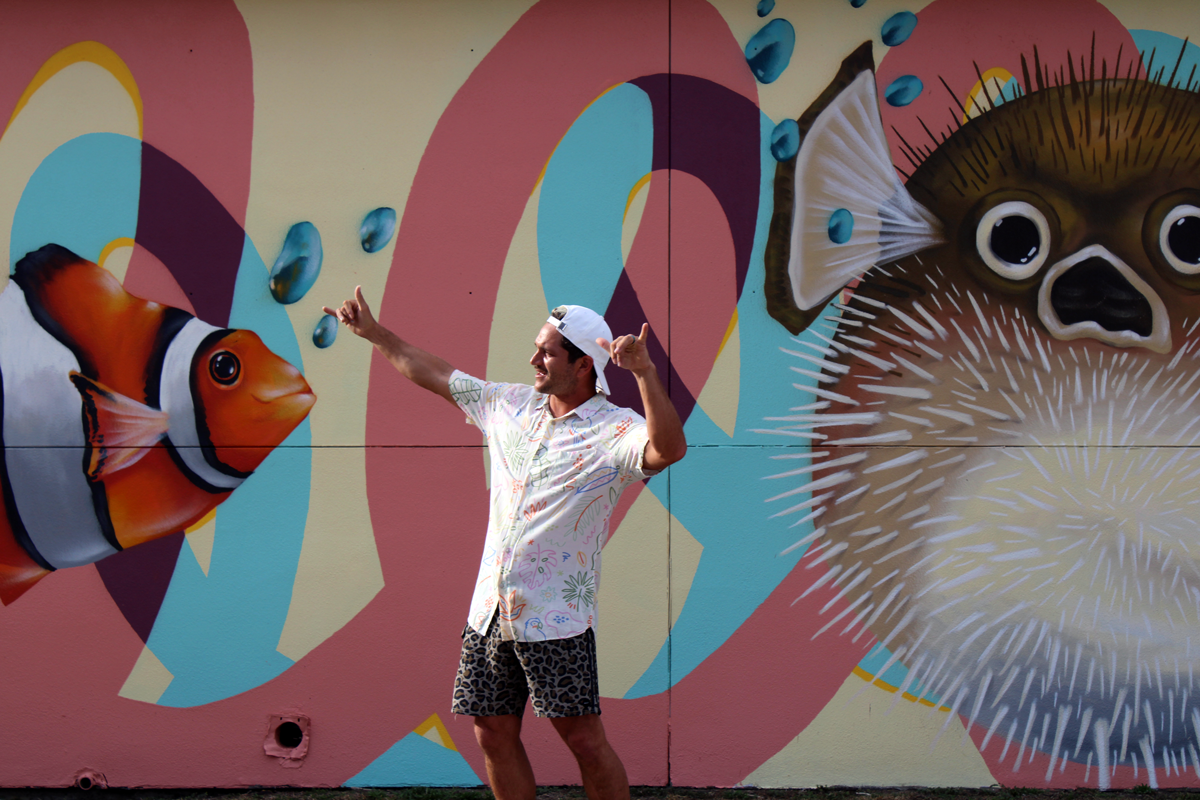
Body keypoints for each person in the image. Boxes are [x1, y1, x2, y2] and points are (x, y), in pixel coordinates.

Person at [322, 287, 687, 800]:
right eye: (537, 347)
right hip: (490, 612)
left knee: (583, 740)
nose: (533, 359)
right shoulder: (509, 404)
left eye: (547, 352)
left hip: (557, 618)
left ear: (584, 366)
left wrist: (646, 374)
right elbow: (434, 372)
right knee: (491, 732)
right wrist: (375, 333)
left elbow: (668, 449)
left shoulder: (615, 430)